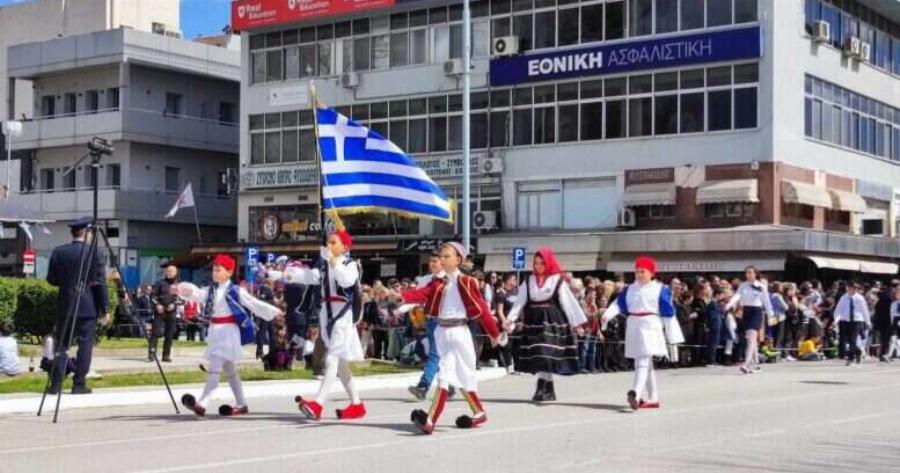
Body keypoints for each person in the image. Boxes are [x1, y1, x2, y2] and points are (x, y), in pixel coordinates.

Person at [397, 242, 500, 435]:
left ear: (458, 259)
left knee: (445, 374)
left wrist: (494, 332)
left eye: (446, 256)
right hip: (441, 332)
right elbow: (421, 294)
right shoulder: (438, 283)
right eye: (441, 257)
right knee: (460, 377)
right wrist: (400, 294)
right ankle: (478, 412)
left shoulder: (467, 282)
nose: (442, 260)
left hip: (458, 333)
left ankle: (430, 420)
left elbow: (481, 309)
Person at [176, 254, 281, 416]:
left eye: (219, 270)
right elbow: (196, 294)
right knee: (230, 371)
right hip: (215, 332)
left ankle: (203, 403)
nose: (215, 272)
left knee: (215, 367)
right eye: (213, 269)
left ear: (229, 272)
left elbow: (253, 303)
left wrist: (274, 312)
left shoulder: (235, 291)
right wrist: (181, 288)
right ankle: (242, 404)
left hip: (228, 332)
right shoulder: (210, 290)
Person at [283, 230, 367, 421]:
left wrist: (333, 261)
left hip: (343, 317)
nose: (328, 246)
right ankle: (357, 405)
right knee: (342, 367)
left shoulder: (350, 264)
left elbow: (346, 280)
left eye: (333, 242)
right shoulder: (324, 267)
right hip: (327, 315)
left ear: (345, 247)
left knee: (332, 360)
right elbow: (307, 276)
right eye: (327, 243)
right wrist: (284, 273)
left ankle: (318, 404)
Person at [505, 248, 587, 402]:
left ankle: (541, 386)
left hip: (552, 320)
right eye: (536, 263)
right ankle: (549, 388)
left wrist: (577, 324)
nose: (538, 266)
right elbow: (519, 302)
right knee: (540, 355)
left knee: (545, 353)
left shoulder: (557, 280)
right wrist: (510, 319)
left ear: (548, 263)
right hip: (533, 321)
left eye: (542, 263)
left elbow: (568, 302)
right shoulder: (528, 281)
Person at [601, 256, 683, 411]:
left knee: (643, 359)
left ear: (651, 273)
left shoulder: (660, 289)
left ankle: (636, 394)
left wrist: (673, 337)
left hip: (651, 326)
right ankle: (653, 398)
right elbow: (619, 304)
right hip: (633, 326)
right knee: (645, 362)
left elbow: (668, 314)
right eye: (637, 271)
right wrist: (607, 315)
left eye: (642, 272)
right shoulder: (630, 289)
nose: (639, 275)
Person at [46, 217, 110, 395]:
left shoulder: (59, 252)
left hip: (65, 304)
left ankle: (56, 384)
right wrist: (105, 309)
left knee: (61, 346)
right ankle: (79, 383)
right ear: (88, 233)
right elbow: (100, 283)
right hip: (87, 306)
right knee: (85, 346)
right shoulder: (94, 253)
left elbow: (52, 280)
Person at [408, 252, 446, 400]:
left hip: (446, 322)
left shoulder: (450, 279)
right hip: (432, 321)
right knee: (437, 354)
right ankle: (445, 386)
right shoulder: (425, 280)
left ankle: (425, 386)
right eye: (430, 261)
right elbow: (416, 298)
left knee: (440, 355)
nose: (432, 264)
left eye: (435, 261)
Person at [725, 266, 773, 374]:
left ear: (755, 274)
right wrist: (729, 304)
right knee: (751, 339)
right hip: (746, 312)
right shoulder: (743, 285)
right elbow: (737, 296)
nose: (748, 275)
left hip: (756, 312)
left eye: (750, 272)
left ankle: (746, 363)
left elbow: (766, 302)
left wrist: (771, 315)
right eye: (747, 273)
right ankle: (755, 364)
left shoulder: (761, 286)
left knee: (751, 337)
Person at [834, 282, 871, 366]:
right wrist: (835, 320)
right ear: (848, 288)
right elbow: (838, 310)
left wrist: (867, 321)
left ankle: (851, 359)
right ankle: (858, 352)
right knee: (849, 340)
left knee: (853, 339)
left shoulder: (860, 298)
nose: (854, 290)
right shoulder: (843, 298)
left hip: (857, 320)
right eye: (852, 288)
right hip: (845, 320)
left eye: (855, 288)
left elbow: (864, 310)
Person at [151, 263, 180, 362]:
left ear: (175, 273)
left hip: (171, 312)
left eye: (171, 271)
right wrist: (157, 305)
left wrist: (174, 304)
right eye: (167, 271)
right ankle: (152, 354)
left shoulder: (178, 285)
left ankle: (166, 355)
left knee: (169, 334)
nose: (168, 273)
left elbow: (181, 299)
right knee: (156, 333)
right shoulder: (159, 283)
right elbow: (152, 297)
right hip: (160, 311)